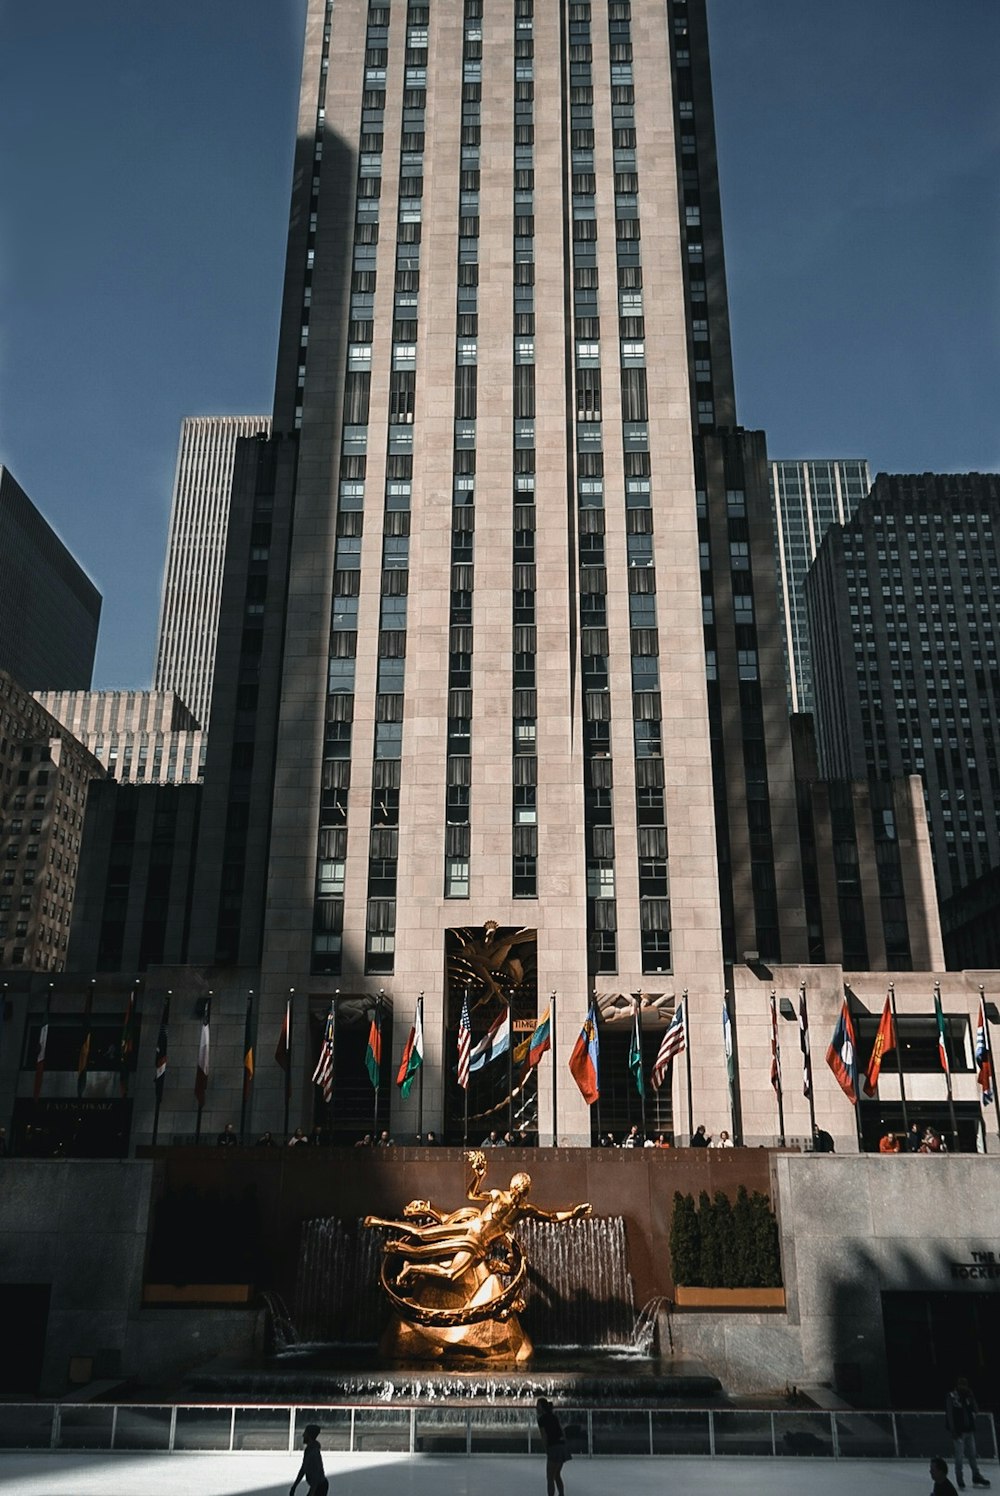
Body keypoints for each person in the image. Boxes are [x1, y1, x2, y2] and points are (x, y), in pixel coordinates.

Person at [945, 1376, 990, 1488]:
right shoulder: (952, 1396)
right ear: (958, 1385)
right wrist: (953, 1430)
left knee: (972, 1455)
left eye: (965, 1385)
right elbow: (950, 1414)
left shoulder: (968, 1396)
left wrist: (972, 1397)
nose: (963, 1387)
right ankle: (960, 1478)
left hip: (969, 1430)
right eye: (961, 1384)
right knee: (959, 1456)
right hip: (959, 1432)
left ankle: (976, 1475)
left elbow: (976, 1409)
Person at [536, 1396, 571, 1496]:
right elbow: (562, 1431)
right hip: (562, 1446)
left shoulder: (541, 1419)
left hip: (553, 1447)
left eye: (538, 1406)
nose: (536, 1408)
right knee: (557, 1475)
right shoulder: (553, 1416)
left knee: (550, 1477)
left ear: (542, 1407)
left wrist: (546, 1449)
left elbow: (544, 1436)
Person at [290, 1421, 328, 1496]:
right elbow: (303, 1469)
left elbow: (316, 1475)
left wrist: (312, 1492)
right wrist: (294, 1486)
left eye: (305, 1433)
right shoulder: (309, 1450)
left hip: (319, 1487)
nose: (303, 1435)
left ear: (309, 1436)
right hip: (317, 1486)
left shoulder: (313, 1453)